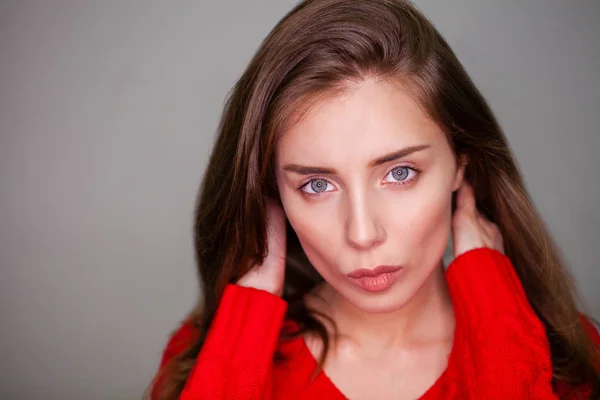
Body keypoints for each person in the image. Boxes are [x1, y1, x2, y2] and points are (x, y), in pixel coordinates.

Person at [148, 0, 600, 399]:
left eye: (400, 173)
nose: (363, 234)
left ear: (462, 163)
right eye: (317, 185)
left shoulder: (564, 359)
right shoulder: (209, 360)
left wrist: (495, 315)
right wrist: (243, 333)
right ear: (274, 195)